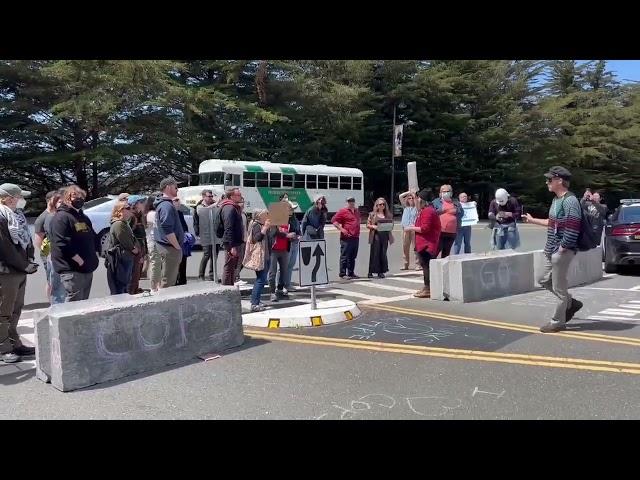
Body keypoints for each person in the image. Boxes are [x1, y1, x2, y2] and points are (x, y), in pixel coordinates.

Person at [524, 166, 583, 333]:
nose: (547, 182)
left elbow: (573, 227)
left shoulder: (570, 201)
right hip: (552, 249)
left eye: (550, 179)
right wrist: (532, 220)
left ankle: (558, 322)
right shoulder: (556, 200)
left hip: (562, 251)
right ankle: (571, 303)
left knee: (559, 288)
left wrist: (563, 248)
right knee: (542, 278)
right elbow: (553, 223)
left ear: (559, 181)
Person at [0, 183, 38, 363]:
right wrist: (24, 265)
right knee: (4, 311)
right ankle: (3, 347)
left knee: (16, 309)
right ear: (8, 198)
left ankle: (15, 343)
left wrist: (29, 258)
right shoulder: (1, 216)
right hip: (6, 271)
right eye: (19, 196)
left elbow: (25, 239)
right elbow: (5, 248)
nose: (22, 200)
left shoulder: (17, 216)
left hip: (19, 269)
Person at [50, 185, 100, 302]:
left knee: (83, 302)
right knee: (74, 302)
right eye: (76, 196)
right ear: (67, 198)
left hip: (87, 267)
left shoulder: (83, 217)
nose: (80, 199)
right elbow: (61, 242)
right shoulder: (61, 217)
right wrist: (78, 259)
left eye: (82, 197)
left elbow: (92, 236)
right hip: (72, 268)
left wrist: (95, 254)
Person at [406, 188, 441, 298]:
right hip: (423, 243)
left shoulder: (428, 211)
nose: (415, 200)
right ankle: (426, 287)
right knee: (425, 266)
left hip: (427, 244)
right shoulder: (424, 210)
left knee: (426, 266)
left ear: (421, 200)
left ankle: (428, 288)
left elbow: (425, 228)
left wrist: (411, 228)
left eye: (417, 198)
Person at [33, 189, 65, 304]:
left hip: (56, 255)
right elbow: (38, 240)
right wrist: (48, 256)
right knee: (51, 281)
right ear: (50, 200)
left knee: (56, 281)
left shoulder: (57, 214)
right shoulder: (42, 218)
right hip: (49, 255)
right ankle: (52, 304)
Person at [152, 178, 184, 289]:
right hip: (169, 248)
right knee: (168, 283)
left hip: (165, 246)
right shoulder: (166, 206)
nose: (177, 189)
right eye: (175, 187)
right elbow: (167, 228)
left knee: (166, 279)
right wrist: (177, 246)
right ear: (168, 187)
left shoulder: (165, 204)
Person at [105, 200, 139, 295]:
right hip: (120, 259)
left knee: (125, 284)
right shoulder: (118, 224)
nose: (130, 210)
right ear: (119, 211)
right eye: (127, 208)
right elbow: (124, 240)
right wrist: (133, 249)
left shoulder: (124, 223)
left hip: (125, 258)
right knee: (120, 285)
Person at [268, 201, 299, 301]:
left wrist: (294, 237)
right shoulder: (275, 219)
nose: (290, 210)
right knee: (272, 272)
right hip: (274, 249)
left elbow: (290, 233)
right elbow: (273, 232)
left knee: (284, 271)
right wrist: (286, 235)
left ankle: (280, 289)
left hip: (285, 249)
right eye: (288, 208)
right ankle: (272, 292)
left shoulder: (288, 221)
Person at [247, 210, 272, 312]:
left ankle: (256, 299)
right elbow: (257, 238)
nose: (267, 216)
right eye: (265, 214)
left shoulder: (262, 224)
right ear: (259, 216)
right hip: (260, 256)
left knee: (261, 279)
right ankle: (254, 303)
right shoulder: (256, 225)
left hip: (266, 255)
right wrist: (265, 228)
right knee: (260, 280)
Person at [218, 188, 244, 286]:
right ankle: (226, 290)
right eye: (238, 195)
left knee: (232, 267)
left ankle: (230, 288)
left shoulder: (233, 207)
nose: (240, 196)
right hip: (231, 243)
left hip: (234, 242)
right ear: (232, 196)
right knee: (228, 267)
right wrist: (232, 246)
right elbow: (228, 227)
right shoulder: (229, 208)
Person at [332, 196, 361, 279]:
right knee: (345, 255)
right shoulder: (343, 211)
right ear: (346, 202)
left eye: (352, 201)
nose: (351, 202)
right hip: (346, 237)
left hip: (355, 237)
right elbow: (334, 221)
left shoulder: (356, 211)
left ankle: (351, 272)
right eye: (349, 201)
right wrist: (342, 229)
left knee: (353, 256)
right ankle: (342, 273)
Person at [432, 184, 463, 258]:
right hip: (440, 231)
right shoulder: (436, 202)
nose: (446, 193)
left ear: (451, 192)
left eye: (447, 191)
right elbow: (432, 213)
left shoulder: (455, 202)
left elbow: (461, 213)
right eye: (443, 191)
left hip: (452, 231)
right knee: (436, 250)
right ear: (440, 193)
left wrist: (456, 210)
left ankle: (444, 268)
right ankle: (430, 267)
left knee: (446, 252)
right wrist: (443, 210)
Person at [367, 198, 394, 278]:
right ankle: (370, 272)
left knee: (383, 254)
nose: (382, 206)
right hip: (376, 236)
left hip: (385, 236)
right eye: (380, 204)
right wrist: (374, 226)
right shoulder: (372, 214)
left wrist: (390, 227)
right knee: (375, 254)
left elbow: (391, 225)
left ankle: (381, 271)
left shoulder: (388, 215)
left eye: (383, 204)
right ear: (377, 205)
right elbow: (367, 225)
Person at [126, 195, 147, 294]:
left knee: (139, 270)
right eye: (140, 202)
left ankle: (136, 287)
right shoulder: (131, 216)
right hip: (136, 247)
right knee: (134, 271)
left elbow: (143, 234)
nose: (142, 204)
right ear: (134, 204)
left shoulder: (140, 215)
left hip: (141, 245)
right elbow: (128, 233)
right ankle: (131, 290)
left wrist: (145, 251)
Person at [197, 189, 218, 281]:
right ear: (203, 197)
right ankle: (201, 275)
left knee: (215, 255)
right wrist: (215, 204)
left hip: (215, 235)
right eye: (209, 196)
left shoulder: (214, 205)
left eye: (212, 196)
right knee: (207, 254)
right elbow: (203, 212)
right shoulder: (200, 206)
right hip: (205, 234)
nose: (211, 198)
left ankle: (212, 274)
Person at [144, 195, 162, 291]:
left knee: (156, 264)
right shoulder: (152, 214)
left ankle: (157, 284)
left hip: (152, 241)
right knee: (155, 264)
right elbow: (159, 226)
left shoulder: (149, 213)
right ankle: (154, 286)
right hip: (154, 241)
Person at [174, 197, 193, 286]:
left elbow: (184, 226)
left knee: (183, 261)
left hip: (182, 241)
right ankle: (176, 280)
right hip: (174, 241)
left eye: (179, 201)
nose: (179, 203)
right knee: (176, 263)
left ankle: (182, 280)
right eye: (176, 201)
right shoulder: (170, 214)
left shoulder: (180, 213)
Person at [398, 190, 419, 270]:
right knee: (405, 247)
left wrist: (414, 195)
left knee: (415, 247)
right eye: (409, 198)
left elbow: (417, 201)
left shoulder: (417, 208)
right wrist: (409, 192)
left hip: (414, 229)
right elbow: (400, 196)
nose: (411, 199)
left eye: (412, 198)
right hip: (405, 229)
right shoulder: (405, 207)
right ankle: (406, 264)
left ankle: (418, 264)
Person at [283, 201, 302, 290]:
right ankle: (280, 285)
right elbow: (279, 232)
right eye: (291, 208)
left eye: (292, 209)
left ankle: (287, 284)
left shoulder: (294, 219)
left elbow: (299, 230)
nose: (292, 210)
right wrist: (289, 235)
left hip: (294, 243)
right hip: (286, 244)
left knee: (291, 265)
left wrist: (299, 235)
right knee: (284, 266)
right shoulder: (282, 218)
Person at [234, 197, 249, 286]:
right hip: (238, 240)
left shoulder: (244, 214)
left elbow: (245, 227)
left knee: (242, 259)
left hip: (244, 240)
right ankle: (236, 277)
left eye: (243, 202)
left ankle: (236, 275)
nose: (242, 204)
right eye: (240, 202)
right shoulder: (235, 213)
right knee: (237, 259)